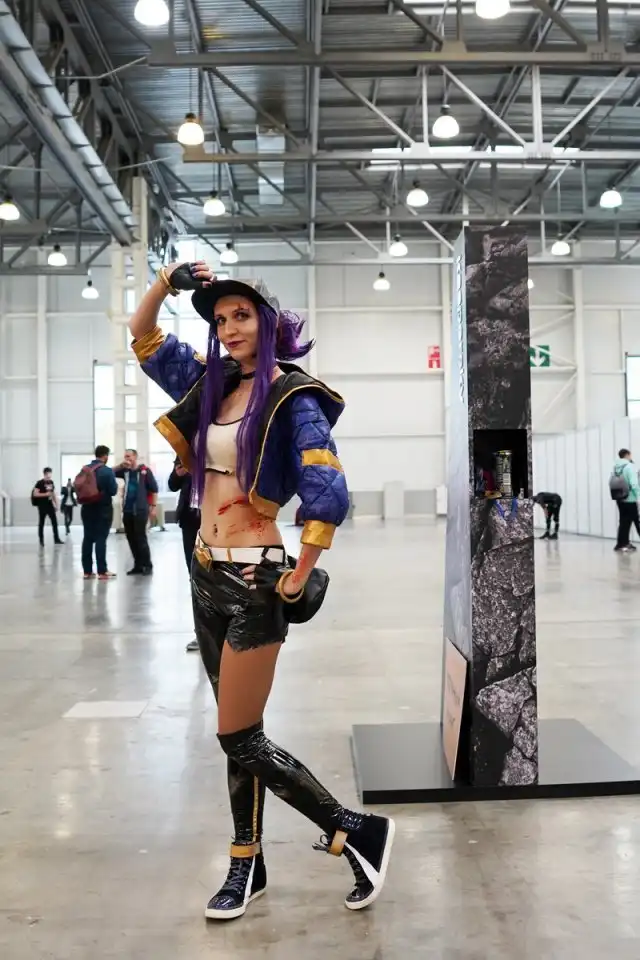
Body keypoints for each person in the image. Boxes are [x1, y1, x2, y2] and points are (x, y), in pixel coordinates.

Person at [129, 261, 395, 921]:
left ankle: (355, 830)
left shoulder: (291, 396)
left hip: (254, 580)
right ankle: (247, 863)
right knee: (237, 731)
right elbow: (142, 336)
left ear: (269, 322)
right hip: (204, 573)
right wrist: (165, 282)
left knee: (238, 735)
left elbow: (326, 485)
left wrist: (300, 572)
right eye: (221, 319)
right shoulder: (212, 384)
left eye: (242, 315)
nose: (229, 328)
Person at [168, 455, 201, 652]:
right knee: (195, 577)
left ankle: (221, 631)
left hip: (216, 521)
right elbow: (172, 485)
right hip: (189, 522)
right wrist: (177, 474)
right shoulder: (183, 451)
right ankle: (201, 633)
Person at [114, 449, 158, 575]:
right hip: (127, 510)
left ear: (135, 456)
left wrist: (153, 507)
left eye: (129, 456)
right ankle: (138, 565)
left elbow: (154, 489)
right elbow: (110, 472)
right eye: (125, 456)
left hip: (140, 509)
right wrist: (120, 465)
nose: (127, 458)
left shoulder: (145, 471)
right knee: (131, 538)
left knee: (140, 537)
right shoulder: (125, 471)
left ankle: (147, 565)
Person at [80, 445, 118, 580]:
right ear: (105, 456)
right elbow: (113, 491)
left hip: (86, 508)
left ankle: (87, 571)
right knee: (101, 538)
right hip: (103, 509)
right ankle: (102, 571)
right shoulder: (107, 471)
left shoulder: (85, 469)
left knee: (88, 538)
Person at [612, 449, 640, 552]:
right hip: (630, 498)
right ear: (627, 455)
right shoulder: (629, 466)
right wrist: (638, 496)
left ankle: (621, 544)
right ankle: (624, 544)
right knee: (635, 521)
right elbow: (634, 484)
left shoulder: (616, 467)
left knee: (624, 522)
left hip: (620, 498)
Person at [32, 467, 63, 546]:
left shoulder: (51, 482)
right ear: (45, 474)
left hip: (50, 505)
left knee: (54, 522)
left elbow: (53, 494)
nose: (50, 475)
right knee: (41, 523)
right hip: (42, 505)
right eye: (49, 473)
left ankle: (56, 539)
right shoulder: (39, 483)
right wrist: (45, 494)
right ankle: (41, 540)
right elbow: (35, 494)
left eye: (50, 473)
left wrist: (56, 504)